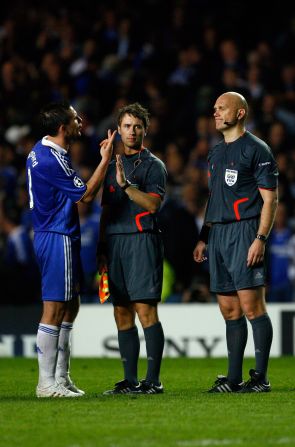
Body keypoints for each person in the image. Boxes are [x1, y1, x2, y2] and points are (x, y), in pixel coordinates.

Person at [26, 101, 116, 397]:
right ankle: (46, 384)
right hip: (57, 236)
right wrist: (106, 159)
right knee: (54, 308)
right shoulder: (52, 160)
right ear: (64, 128)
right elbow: (86, 195)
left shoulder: (41, 152)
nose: (81, 121)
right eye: (76, 119)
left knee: (70, 305)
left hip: (55, 234)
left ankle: (60, 378)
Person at [193, 91, 278, 393]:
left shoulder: (257, 150)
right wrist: (204, 237)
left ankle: (261, 377)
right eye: (214, 108)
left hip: (245, 232)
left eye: (221, 108)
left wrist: (260, 239)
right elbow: (215, 198)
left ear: (240, 113)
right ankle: (233, 378)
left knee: (252, 307)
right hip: (218, 236)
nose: (215, 113)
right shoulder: (215, 153)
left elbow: (270, 200)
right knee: (229, 310)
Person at [97, 102, 167, 394]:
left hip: (141, 241)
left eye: (137, 126)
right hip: (114, 245)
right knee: (120, 311)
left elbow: (153, 205)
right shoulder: (109, 161)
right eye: (127, 126)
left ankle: (153, 381)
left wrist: (126, 186)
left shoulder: (154, 166)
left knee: (145, 310)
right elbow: (103, 210)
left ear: (145, 130)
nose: (132, 131)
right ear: (118, 129)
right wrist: (101, 251)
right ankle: (130, 380)